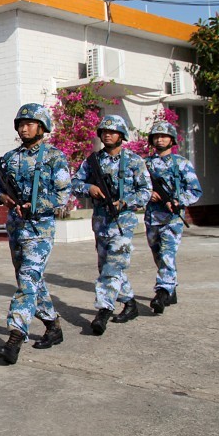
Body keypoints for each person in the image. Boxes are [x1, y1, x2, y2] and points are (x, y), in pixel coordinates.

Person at [0, 104, 72, 364]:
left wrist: (36, 205)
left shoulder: (54, 157)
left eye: (30, 123)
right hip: (16, 227)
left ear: (42, 127)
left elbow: (63, 194)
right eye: (21, 124)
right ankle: (52, 325)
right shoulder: (10, 158)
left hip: (40, 229)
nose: (24, 128)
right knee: (32, 281)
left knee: (26, 282)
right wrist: (2, 197)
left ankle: (15, 337)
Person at [71, 114, 152, 335]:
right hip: (101, 222)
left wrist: (125, 201)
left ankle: (104, 310)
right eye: (104, 131)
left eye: (112, 131)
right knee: (107, 265)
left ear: (121, 135)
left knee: (113, 266)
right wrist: (89, 189)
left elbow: (145, 192)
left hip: (122, 221)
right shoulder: (93, 161)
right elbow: (75, 183)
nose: (107, 134)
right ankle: (130, 303)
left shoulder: (134, 161)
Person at [144, 121, 202, 313]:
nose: (159, 139)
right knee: (158, 255)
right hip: (152, 217)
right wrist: (148, 194)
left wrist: (178, 200)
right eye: (156, 136)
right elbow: (135, 187)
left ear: (172, 139)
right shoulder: (146, 164)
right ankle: (171, 288)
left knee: (168, 255)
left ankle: (161, 293)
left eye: (163, 136)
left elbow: (195, 190)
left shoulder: (182, 163)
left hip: (172, 218)